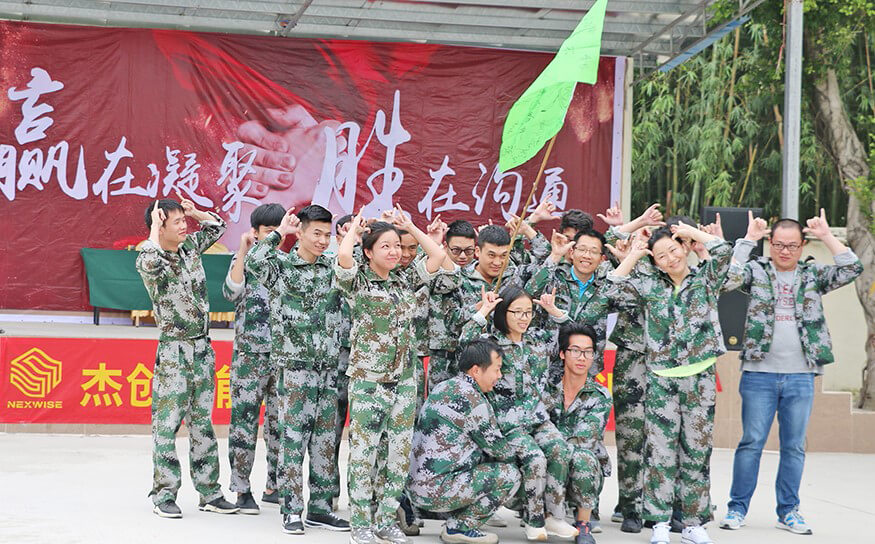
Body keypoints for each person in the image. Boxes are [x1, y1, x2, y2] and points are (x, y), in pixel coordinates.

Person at [719, 210, 863, 535]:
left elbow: (852, 268)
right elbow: (726, 279)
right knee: (751, 442)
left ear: (802, 246)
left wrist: (826, 235)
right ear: (770, 243)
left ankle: (789, 512)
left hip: (801, 375)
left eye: (792, 246)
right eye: (779, 245)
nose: (785, 251)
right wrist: (748, 240)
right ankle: (736, 508)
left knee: (794, 446)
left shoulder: (813, 275)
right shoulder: (756, 270)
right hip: (759, 373)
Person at [605, 223, 731, 544]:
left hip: (700, 379)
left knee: (697, 452)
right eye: (661, 256)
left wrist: (691, 232)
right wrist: (634, 255)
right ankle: (659, 521)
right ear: (656, 263)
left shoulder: (705, 279)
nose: (670, 258)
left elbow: (723, 251)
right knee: (660, 453)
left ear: (684, 248)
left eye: (673, 250)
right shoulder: (650, 286)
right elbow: (611, 290)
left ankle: (693, 523)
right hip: (662, 380)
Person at [335, 207, 449, 544]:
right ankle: (360, 524)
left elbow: (437, 255)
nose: (394, 251)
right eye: (385, 246)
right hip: (369, 381)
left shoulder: (405, 280)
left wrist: (411, 226)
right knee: (363, 454)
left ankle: (385, 520)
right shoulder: (357, 280)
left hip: (404, 380)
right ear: (369, 252)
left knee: (397, 455)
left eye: (397, 245)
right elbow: (344, 258)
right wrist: (354, 231)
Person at [247, 204, 349, 534]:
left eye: (327, 234)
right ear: (301, 232)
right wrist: (279, 233)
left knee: (325, 441)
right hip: (295, 369)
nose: (322, 240)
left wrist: (352, 238)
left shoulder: (331, 268)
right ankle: (291, 509)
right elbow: (254, 261)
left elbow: (356, 268)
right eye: (316, 233)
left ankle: (320, 508)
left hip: (328, 368)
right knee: (293, 440)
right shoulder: (281, 266)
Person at [136, 198, 238, 518]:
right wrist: (154, 228)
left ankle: (210, 492)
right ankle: (164, 494)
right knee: (167, 425)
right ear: (160, 226)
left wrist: (195, 212)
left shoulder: (190, 248)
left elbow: (218, 226)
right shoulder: (153, 257)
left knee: (202, 424)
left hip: (202, 349)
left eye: (184, 221)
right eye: (177, 221)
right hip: (174, 351)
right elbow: (147, 262)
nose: (184, 226)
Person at [461, 285, 579, 541]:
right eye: (517, 312)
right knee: (535, 459)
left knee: (560, 449)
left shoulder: (538, 340)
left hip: (538, 419)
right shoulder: (491, 343)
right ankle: (534, 520)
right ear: (504, 312)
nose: (524, 318)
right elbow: (464, 343)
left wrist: (553, 310)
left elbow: (573, 335)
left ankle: (554, 516)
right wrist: (484, 310)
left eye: (528, 312)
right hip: (507, 423)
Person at [409, 339, 523, 544]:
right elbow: (500, 450)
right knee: (510, 475)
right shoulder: (473, 400)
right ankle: (460, 527)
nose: (499, 376)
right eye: (497, 369)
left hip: (414, 487)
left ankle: (413, 508)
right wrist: (524, 457)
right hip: (435, 491)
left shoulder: (444, 386)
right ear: (476, 370)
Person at [222, 202, 285, 513]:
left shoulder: (288, 263)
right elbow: (230, 293)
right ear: (256, 232)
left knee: (280, 425)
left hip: (283, 356)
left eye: (279, 231)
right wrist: (243, 251)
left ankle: (274, 485)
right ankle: (242, 489)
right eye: (269, 231)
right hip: (249, 356)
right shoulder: (244, 260)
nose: (274, 237)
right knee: (244, 423)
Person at [546, 323, 612, 544]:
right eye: (575, 351)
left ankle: (583, 524)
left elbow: (585, 439)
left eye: (588, 352)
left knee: (584, 458)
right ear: (562, 354)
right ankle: (540, 515)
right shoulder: (547, 388)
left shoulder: (600, 395)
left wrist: (555, 448)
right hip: (549, 459)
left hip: (578, 463)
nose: (582, 357)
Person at [426, 220, 478, 390]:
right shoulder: (435, 271)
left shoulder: (480, 273)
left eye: (468, 251)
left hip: (473, 355)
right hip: (442, 355)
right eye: (456, 250)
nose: (463, 256)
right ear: (445, 247)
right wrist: (432, 243)